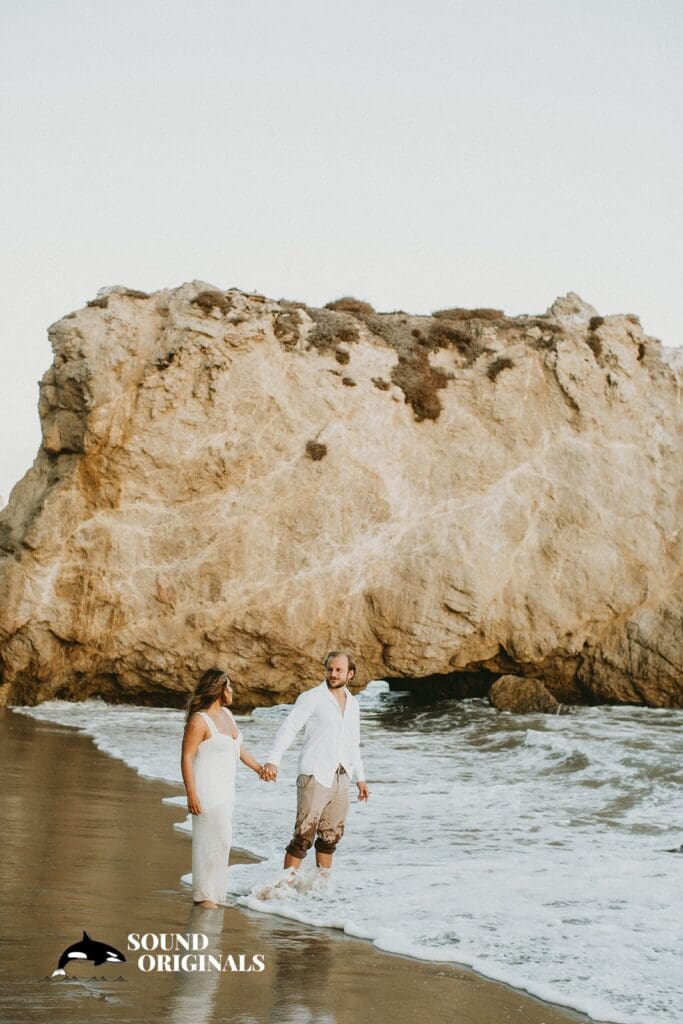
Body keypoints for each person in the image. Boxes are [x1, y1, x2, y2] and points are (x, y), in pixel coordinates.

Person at [261, 651, 369, 876]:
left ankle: (320, 892)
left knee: (330, 838)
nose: (333, 674)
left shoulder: (354, 704)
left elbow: (353, 743)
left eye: (339, 670)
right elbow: (289, 727)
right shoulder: (312, 697)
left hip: (342, 777)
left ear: (350, 673)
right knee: (302, 837)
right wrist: (273, 760)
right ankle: (284, 888)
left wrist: (361, 778)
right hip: (314, 775)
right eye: (330, 669)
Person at [181, 668, 265, 909]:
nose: (232, 691)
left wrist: (259, 769)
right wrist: (191, 794)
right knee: (212, 843)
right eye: (229, 687)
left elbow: (238, 749)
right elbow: (186, 758)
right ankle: (205, 896)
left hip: (226, 794)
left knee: (222, 844)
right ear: (218, 689)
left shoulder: (227, 715)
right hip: (206, 793)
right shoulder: (200, 721)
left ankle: (214, 896)